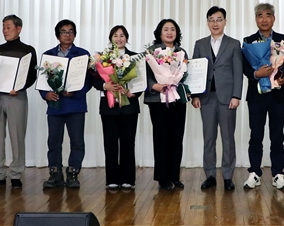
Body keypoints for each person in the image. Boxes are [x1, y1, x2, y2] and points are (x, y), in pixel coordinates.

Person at [242, 3, 284, 190]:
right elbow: (244, 66)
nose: (264, 19)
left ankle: (278, 173)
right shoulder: (248, 41)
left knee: (277, 135)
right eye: (260, 15)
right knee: (256, 135)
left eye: (268, 15)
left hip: (278, 95)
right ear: (256, 19)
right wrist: (257, 74)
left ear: (274, 18)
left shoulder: (283, 40)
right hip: (257, 96)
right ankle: (254, 172)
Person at [192, 6, 244, 192]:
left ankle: (228, 176)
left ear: (225, 22)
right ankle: (210, 175)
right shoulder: (200, 44)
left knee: (228, 138)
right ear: (207, 22)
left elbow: (238, 72)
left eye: (219, 19)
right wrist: (195, 95)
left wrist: (236, 96)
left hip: (227, 98)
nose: (215, 23)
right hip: (206, 98)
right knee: (209, 138)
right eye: (211, 20)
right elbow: (194, 71)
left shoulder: (234, 44)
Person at [0, 14, 37, 190]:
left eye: (8, 27)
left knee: (17, 136)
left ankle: (16, 174)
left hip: (17, 96)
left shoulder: (28, 50)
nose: (5, 30)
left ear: (18, 28)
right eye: (3, 27)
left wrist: (20, 86)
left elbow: (32, 74)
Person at [39, 19, 91, 189]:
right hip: (55, 106)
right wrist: (46, 94)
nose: (67, 35)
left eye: (70, 32)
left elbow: (89, 81)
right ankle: (55, 174)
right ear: (57, 35)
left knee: (77, 141)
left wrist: (76, 91)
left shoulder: (83, 55)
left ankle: (73, 173)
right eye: (63, 32)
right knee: (54, 142)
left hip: (76, 105)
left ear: (74, 35)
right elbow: (42, 80)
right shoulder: (48, 55)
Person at [92, 25, 142, 190]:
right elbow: (93, 79)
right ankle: (112, 178)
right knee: (110, 142)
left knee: (128, 142)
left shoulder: (135, 57)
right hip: (109, 107)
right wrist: (104, 86)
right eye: (115, 35)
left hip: (129, 106)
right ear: (110, 38)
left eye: (122, 35)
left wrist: (133, 93)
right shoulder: (102, 58)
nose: (119, 38)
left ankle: (128, 178)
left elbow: (141, 80)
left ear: (126, 38)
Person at [144, 19, 188, 191]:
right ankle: (163, 178)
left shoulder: (181, 52)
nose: (169, 32)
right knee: (161, 138)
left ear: (177, 33)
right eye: (166, 29)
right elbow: (144, 74)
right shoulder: (151, 51)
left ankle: (174, 176)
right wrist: (155, 86)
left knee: (177, 137)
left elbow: (186, 75)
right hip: (158, 99)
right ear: (159, 33)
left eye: (173, 29)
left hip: (177, 99)